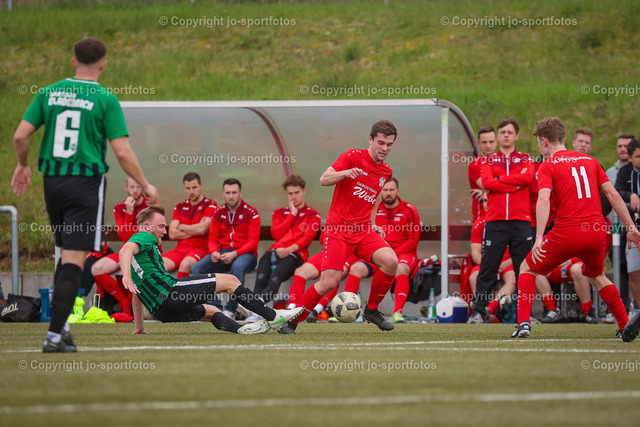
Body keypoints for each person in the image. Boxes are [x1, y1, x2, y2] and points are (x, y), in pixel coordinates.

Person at [11, 37, 158, 353]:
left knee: (66, 255)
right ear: (103, 64)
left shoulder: (47, 93)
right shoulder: (104, 99)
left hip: (53, 182)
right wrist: (145, 184)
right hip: (85, 184)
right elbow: (122, 151)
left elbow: (20, 136)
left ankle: (61, 327)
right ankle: (54, 337)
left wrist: (22, 165)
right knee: (75, 261)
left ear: (73, 62)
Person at [512, 117, 640, 339]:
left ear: (544, 141)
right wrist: (630, 226)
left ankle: (523, 323)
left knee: (527, 268)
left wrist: (539, 237)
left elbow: (543, 200)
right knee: (597, 275)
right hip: (596, 232)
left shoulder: (548, 165)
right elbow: (612, 194)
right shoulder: (590, 161)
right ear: (563, 138)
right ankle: (624, 324)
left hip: (567, 231)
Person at [278, 120, 399, 334]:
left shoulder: (386, 172)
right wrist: (345, 173)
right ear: (370, 140)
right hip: (338, 230)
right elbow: (324, 179)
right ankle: (292, 322)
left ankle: (372, 310)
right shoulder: (352, 156)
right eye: (381, 143)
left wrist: (372, 223)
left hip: (363, 231)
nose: (385, 148)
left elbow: (374, 198)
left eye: (389, 144)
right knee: (328, 282)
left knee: (391, 262)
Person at [120, 205, 303, 335]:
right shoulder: (145, 236)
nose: (164, 231)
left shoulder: (141, 260)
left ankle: (241, 329)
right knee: (230, 281)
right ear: (146, 226)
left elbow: (137, 293)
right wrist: (125, 277)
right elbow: (125, 249)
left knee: (212, 311)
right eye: (161, 226)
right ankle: (273, 316)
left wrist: (139, 327)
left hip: (162, 312)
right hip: (170, 293)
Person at [468, 118, 534, 323]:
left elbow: (527, 178)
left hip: (521, 221)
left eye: (509, 132)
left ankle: (525, 314)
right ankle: (478, 311)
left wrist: (499, 181)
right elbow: (487, 183)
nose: (506, 135)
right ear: (498, 136)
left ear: (516, 136)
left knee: (523, 269)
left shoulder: (526, 158)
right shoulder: (488, 161)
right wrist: (515, 184)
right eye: (503, 132)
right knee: (488, 267)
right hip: (495, 220)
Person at [248, 175, 321, 320]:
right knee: (261, 278)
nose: (293, 197)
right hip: (275, 250)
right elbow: (277, 234)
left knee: (275, 277)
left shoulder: (313, 215)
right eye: (290, 193)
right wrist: (292, 214)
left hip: (296, 254)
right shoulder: (279, 213)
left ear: (304, 191)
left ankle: (256, 307)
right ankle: (256, 312)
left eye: (296, 192)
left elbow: (306, 239)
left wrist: (289, 250)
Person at [191, 178, 260, 319]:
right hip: (223, 253)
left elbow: (253, 243)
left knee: (238, 267)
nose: (231, 196)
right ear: (223, 194)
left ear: (240, 193)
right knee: (197, 268)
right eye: (227, 193)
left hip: (246, 254)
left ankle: (230, 309)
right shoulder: (218, 213)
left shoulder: (252, 212)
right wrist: (214, 252)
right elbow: (212, 240)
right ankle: (216, 307)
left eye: (234, 192)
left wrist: (234, 254)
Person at [90, 176, 152, 317]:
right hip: (126, 251)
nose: (135, 190)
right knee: (96, 269)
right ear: (126, 188)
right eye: (132, 187)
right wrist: (129, 212)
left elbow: (146, 236)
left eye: (138, 187)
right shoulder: (119, 207)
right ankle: (124, 302)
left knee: (135, 271)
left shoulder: (150, 206)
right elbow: (124, 236)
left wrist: (132, 229)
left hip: (145, 253)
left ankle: (130, 305)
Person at [371, 178, 421, 323]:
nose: (388, 193)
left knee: (401, 268)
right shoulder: (374, 209)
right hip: (379, 252)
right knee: (356, 268)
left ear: (398, 191)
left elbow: (413, 240)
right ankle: (354, 311)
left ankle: (397, 313)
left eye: (391, 190)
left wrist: (392, 254)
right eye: (385, 190)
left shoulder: (410, 210)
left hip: (404, 253)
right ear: (381, 192)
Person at [162, 172, 217, 278]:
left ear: (201, 185)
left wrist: (181, 227)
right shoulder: (179, 206)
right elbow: (172, 234)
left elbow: (202, 229)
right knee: (160, 265)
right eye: (188, 188)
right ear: (184, 188)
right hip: (180, 249)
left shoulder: (210, 204)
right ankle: (165, 289)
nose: (191, 191)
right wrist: (196, 230)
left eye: (194, 187)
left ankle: (181, 290)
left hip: (201, 249)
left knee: (185, 264)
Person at [614, 139, 640, 314]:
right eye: (638, 156)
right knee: (633, 271)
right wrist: (631, 195)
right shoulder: (625, 171)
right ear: (630, 157)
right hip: (633, 228)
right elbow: (616, 191)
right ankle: (638, 310)